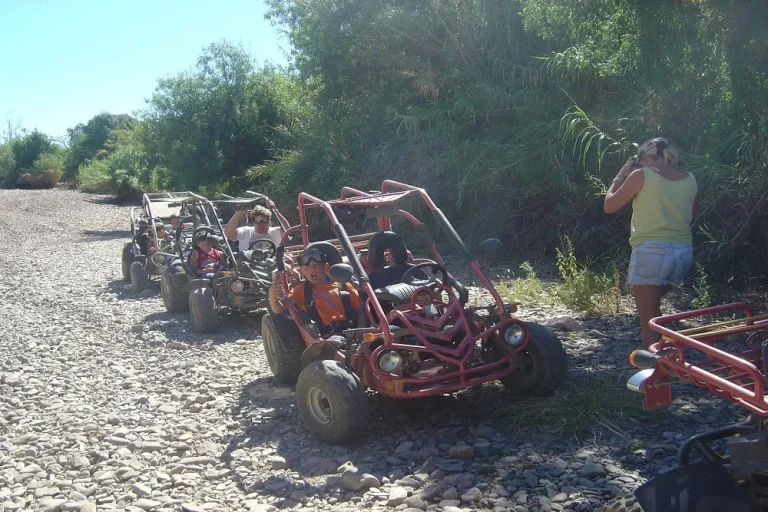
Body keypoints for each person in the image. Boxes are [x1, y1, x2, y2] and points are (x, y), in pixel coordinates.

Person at [604, 137, 700, 349]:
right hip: (683, 253)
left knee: (648, 321)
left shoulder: (641, 175)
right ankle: (671, 354)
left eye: (642, 159)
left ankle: (657, 365)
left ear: (649, 158)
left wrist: (620, 176)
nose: (641, 163)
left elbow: (609, 205)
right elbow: (692, 214)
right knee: (654, 309)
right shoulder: (689, 178)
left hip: (651, 252)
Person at [268, 248, 367, 334]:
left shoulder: (343, 285)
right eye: (307, 267)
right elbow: (278, 309)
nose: (312, 269)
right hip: (324, 338)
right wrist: (272, 295)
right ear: (302, 270)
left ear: (326, 267)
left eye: (317, 265)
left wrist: (361, 332)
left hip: (351, 331)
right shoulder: (300, 290)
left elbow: (361, 312)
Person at [225, 201, 289, 252]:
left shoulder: (275, 232)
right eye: (258, 222)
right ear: (254, 222)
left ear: (269, 222)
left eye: (264, 222)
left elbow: (288, 230)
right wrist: (238, 213)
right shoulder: (245, 231)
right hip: (248, 264)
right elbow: (228, 233)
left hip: (273, 263)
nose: (261, 225)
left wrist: (275, 211)